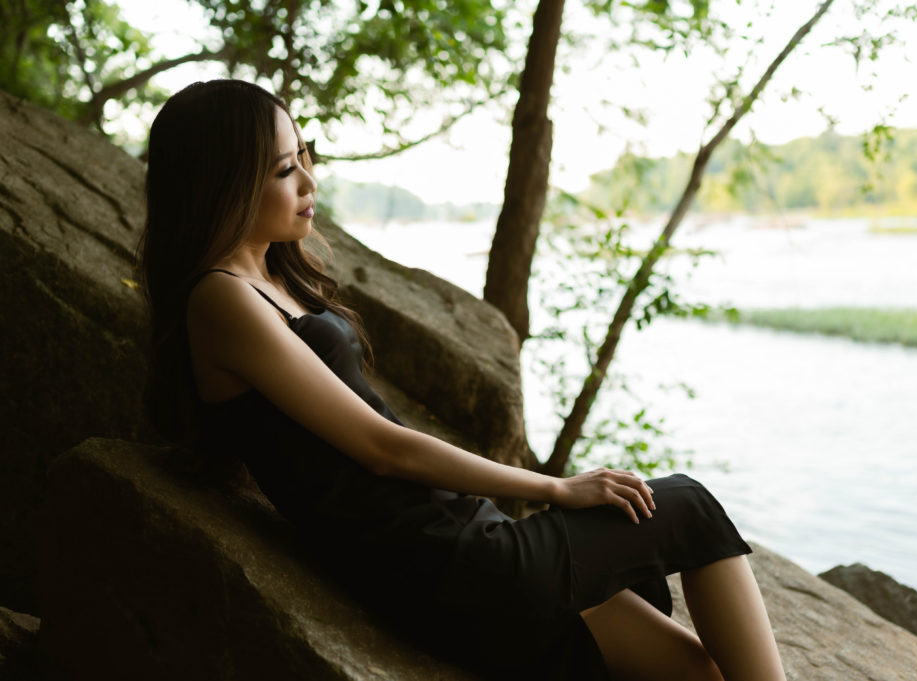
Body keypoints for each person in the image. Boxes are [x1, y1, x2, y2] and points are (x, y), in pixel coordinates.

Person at [138, 79, 787, 681]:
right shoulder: (221, 300)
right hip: (447, 566)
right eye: (284, 170)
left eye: (304, 155)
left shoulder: (269, 279)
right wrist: (556, 488)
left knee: (700, 671)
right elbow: (382, 447)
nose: (308, 179)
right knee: (690, 505)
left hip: (462, 547)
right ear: (222, 186)